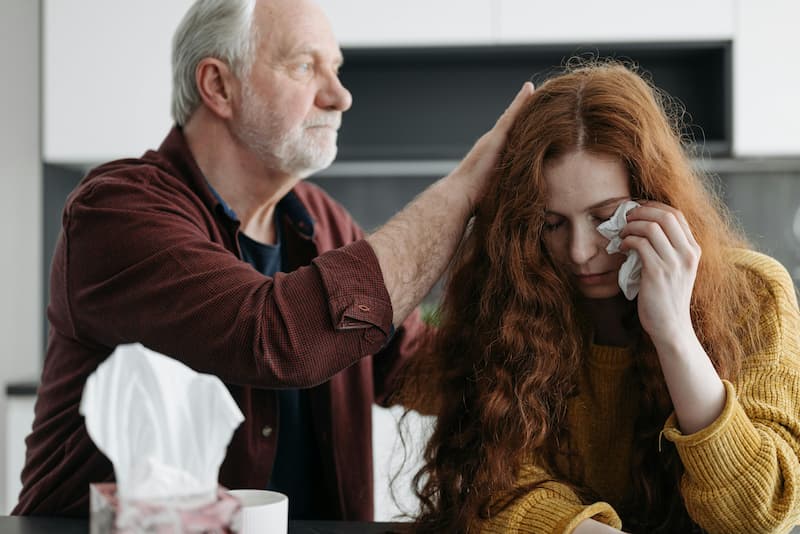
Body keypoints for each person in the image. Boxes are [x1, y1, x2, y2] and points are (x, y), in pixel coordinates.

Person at [13, 0, 533, 520]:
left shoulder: (322, 222)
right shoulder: (116, 210)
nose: (340, 96)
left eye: (337, 68)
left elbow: (413, 368)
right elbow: (274, 336)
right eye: (306, 66)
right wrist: (461, 192)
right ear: (218, 85)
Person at [410, 60, 800, 533]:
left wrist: (674, 333)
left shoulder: (754, 294)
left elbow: (756, 517)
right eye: (551, 224)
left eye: (605, 218)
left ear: (656, 201)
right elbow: (492, 488)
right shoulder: (513, 297)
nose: (578, 252)